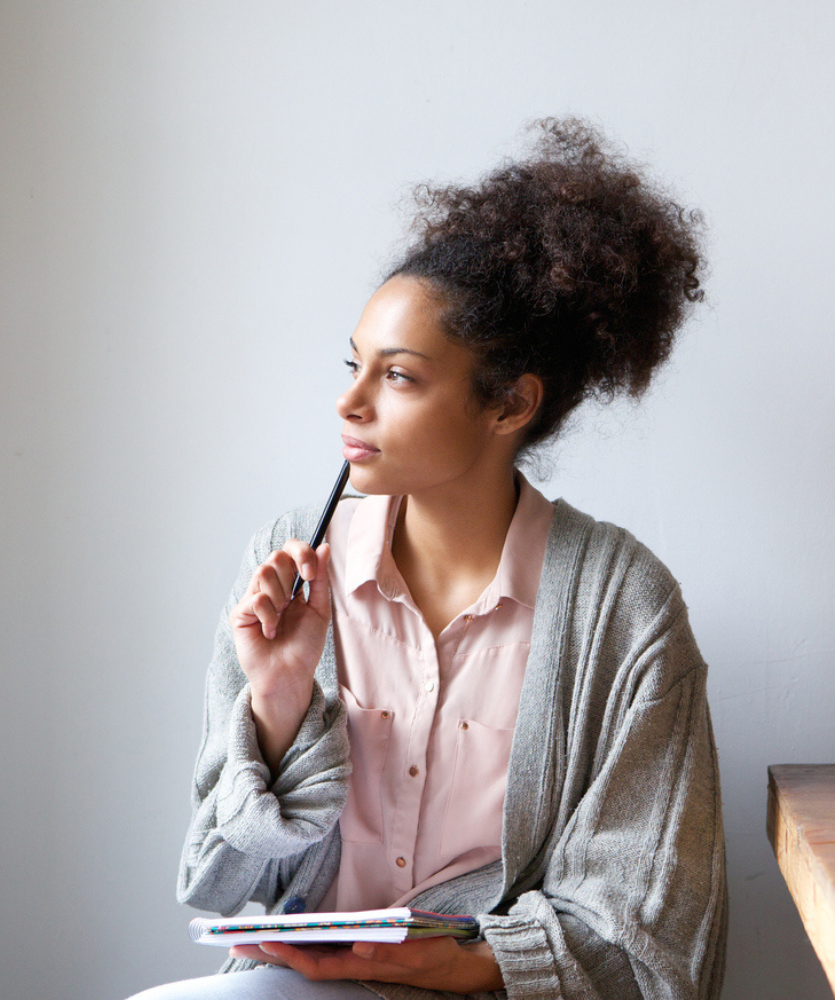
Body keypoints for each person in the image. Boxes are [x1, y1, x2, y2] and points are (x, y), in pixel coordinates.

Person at [130, 118, 727, 1000]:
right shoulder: (292, 567)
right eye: (353, 365)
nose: (350, 402)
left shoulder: (624, 607)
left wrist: (471, 963)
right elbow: (220, 882)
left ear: (510, 404)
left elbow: (650, 928)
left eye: (399, 377)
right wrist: (279, 701)